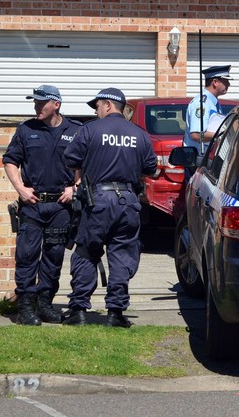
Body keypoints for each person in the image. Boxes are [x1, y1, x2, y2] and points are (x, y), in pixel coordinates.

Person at [62, 88, 157, 327]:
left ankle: (79, 309)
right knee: (122, 255)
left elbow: (71, 159)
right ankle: (115, 312)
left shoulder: (89, 130)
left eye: (97, 107)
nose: (96, 111)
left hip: (98, 202)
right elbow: (150, 167)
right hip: (128, 202)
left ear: (107, 105)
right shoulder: (140, 134)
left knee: (86, 252)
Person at [3, 85, 81, 325]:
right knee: (26, 255)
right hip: (33, 204)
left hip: (60, 206)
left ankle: (45, 304)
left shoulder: (76, 131)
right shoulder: (26, 129)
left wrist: (75, 188)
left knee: (54, 256)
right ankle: (26, 308)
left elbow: (84, 164)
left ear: (56, 104)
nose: (36, 106)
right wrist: (20, 189)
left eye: (41, 102)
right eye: (35, 102)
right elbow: (10, 161)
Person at [183, 65, 231, 152]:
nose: (229, 84)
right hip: (198, 158)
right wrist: (223, 134)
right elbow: (196, 135)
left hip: (209, 157)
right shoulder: (201, 104)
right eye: (225, 81)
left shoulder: (213, 101)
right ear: (215, 82)